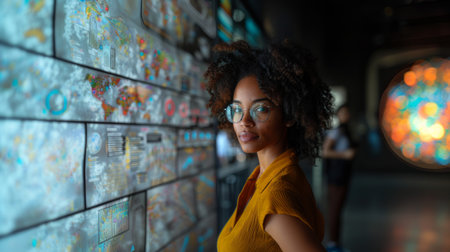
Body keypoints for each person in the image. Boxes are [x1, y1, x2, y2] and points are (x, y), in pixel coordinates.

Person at [204, 40, 333, 252]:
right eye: (237, 109)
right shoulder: (267, 175)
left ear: (288, 114)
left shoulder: (276, 195)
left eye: (260, 109)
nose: (244, 121)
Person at [322, 104, 356, 252]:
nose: (345, 116)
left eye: (347, 113)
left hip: (344, 174)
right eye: (342, 113)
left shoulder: (347, 131)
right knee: (334, 209)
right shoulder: (336, 132)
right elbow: (325, 152)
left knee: (338, 208)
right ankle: (332, 244)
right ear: (338, 115)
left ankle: (336, 243)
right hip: (336, 174)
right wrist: (344, 155)